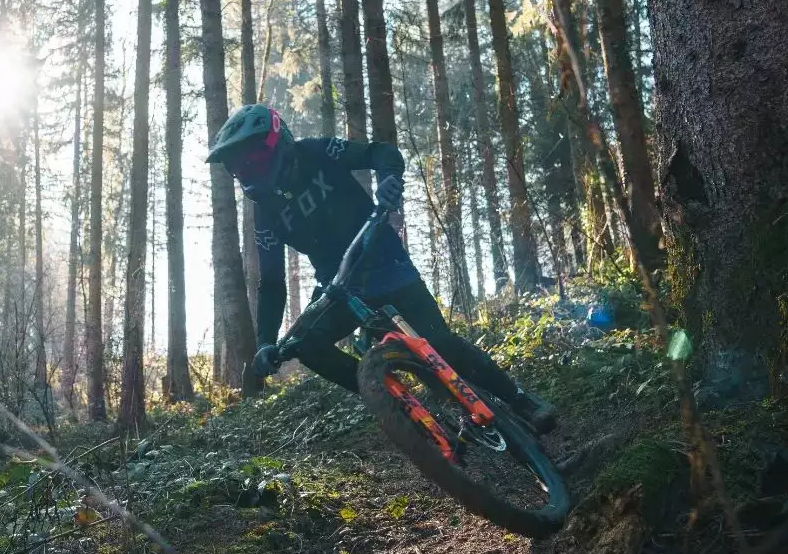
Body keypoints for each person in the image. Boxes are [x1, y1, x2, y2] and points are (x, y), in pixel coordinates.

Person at [206, 104, 558, 434]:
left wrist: (389, 179)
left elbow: (381, 153)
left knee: (438, 342)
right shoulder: (265, 214)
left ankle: (521, 401)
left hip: (382, 257)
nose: (246, 170)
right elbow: (271, 282)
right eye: (238, 167)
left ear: (275, 142)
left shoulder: (316, 151)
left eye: (251, 159)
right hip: (338, 284)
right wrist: (266, 341)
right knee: (305, 344)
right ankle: (398, 406)